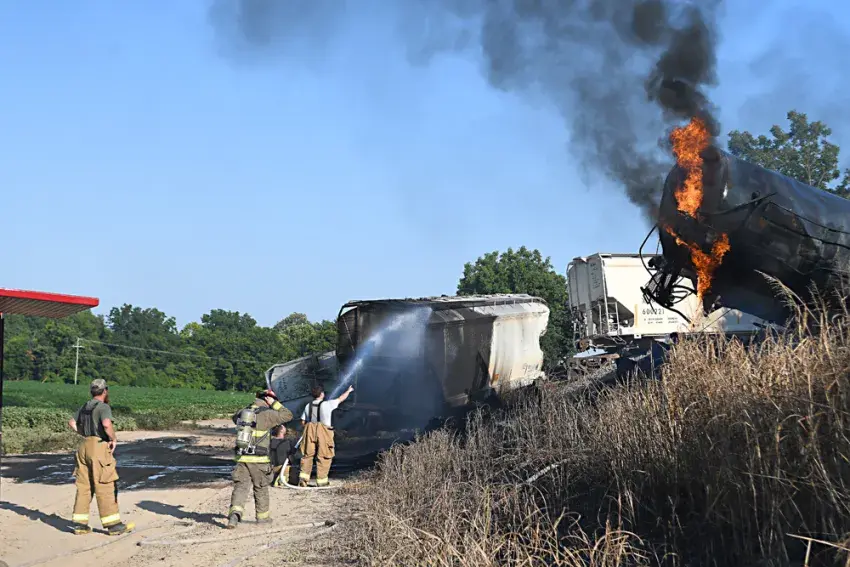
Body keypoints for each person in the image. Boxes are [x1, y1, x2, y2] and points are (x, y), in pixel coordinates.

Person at [67, 378, 135, 536]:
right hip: (98, 447)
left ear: (92, 391)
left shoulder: (85, 406)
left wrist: (83, 433)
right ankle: (113, 525)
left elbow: (71, 422)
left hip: (84, 446)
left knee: (84, 486)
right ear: (105, 391)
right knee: (105, 484)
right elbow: (106, 424)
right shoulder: (103, 407)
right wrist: (113, 438)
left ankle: (80, 525)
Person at [226, 389, 293, 529]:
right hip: (259, 459)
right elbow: (288, 415)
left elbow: (234, 418)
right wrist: (274, 404)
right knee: (261, 488)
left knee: (241, 487)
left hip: (242, 458)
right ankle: (263, 518)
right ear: (268, 399)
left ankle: (234, 515)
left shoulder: (243, 412)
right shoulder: (268, 414)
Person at [298, 384, 354, 487]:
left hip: (309, 429)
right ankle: (322, 481)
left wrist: (310, 429)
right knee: (324, 455)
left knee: (307, 455)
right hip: (324, 431)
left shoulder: (308, 406)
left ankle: (303, 480)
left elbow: (302, 421)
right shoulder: (328, 404)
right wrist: (349, 391)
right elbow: (341, 399)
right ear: (322, 394)